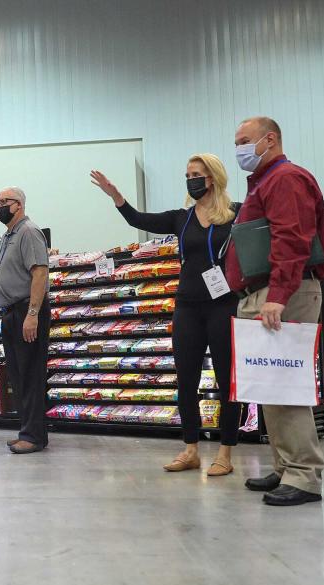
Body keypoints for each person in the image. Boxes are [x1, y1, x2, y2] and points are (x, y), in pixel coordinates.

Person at [90, 154, 242, 476]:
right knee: (186, 379)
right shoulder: (181, 218)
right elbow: (137, 219)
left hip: (223, 304)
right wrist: (117, 197)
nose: (191, 180)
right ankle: (191, 449)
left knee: (228, 379)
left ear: (212, 178)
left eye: (196, 174)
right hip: (187, 305)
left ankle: (225, 453)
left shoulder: (234, 214)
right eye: (187, 174)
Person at [227, 116, 324, 506]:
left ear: (270, 140)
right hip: (266, 290)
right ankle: (286, 466)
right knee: (270, 385)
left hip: (282, 291)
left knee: (285, 386)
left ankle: (304, 475)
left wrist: (279, 294)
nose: (239, 148)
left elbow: (292, 237)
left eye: (244, 141)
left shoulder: (285, 178)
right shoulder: (265, 182)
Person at [0, 187, 50, 454]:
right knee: (18, 376)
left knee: (31, 374)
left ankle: (34, 437)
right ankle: (28, 431)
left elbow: (39, 274)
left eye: (4, 202)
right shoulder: (9, 235)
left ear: (19, 205)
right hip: (12, 312)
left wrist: (33, 314)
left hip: (27, 310)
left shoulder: (28, 232)